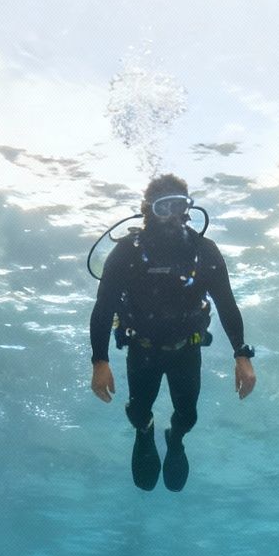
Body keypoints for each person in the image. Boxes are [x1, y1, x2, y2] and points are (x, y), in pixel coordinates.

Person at [88, 173, 255, 491]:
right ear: (148, 210)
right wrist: (100, 361)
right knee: (137, 411)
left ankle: (175, 440)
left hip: (186, 349)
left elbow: (226, 304)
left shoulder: (204, 251)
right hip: (143, 348)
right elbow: (104, 307)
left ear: (189, 210)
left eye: (180, 206)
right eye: (164, 208)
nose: (173, 216)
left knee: (187, 416)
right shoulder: (127, 253)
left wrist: (242, 354)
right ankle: (145, 431)